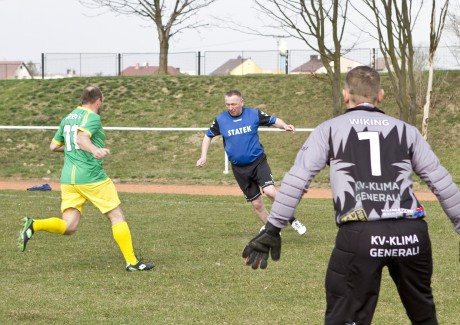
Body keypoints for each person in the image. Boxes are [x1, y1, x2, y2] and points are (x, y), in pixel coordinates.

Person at [242, 66, 460, 324]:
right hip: (411, 231)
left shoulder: (328, 130)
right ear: (380, 96)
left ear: (346, 95)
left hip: (360, 234)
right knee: (424, 316)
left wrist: (273, 227)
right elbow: (441, 181)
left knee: (344, 317)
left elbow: (298, 179)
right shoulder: (407, 131)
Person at [18, 86, 155, 272]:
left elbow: (53, 146)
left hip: (69, 179)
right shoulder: (92, 117)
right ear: (98, 100)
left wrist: (74, 148)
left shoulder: (68, 118)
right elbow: (82, 138)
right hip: (91, 177)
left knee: (69, 225)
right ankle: (132, 262)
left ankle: (35, 224)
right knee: (117, 216)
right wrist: (94, 150)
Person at [196, 90, 307, 235]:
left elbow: (274, 120)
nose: (230, 107)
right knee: (257, 204)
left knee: (270, 191)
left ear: (242, 102)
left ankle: (292, 220)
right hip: (239, 169)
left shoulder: (253, 114)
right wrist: (203, 156)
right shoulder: (220, 120)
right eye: (227, 104)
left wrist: (285, 125)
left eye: (234, 104)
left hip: (258, 163)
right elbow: (207, 136)